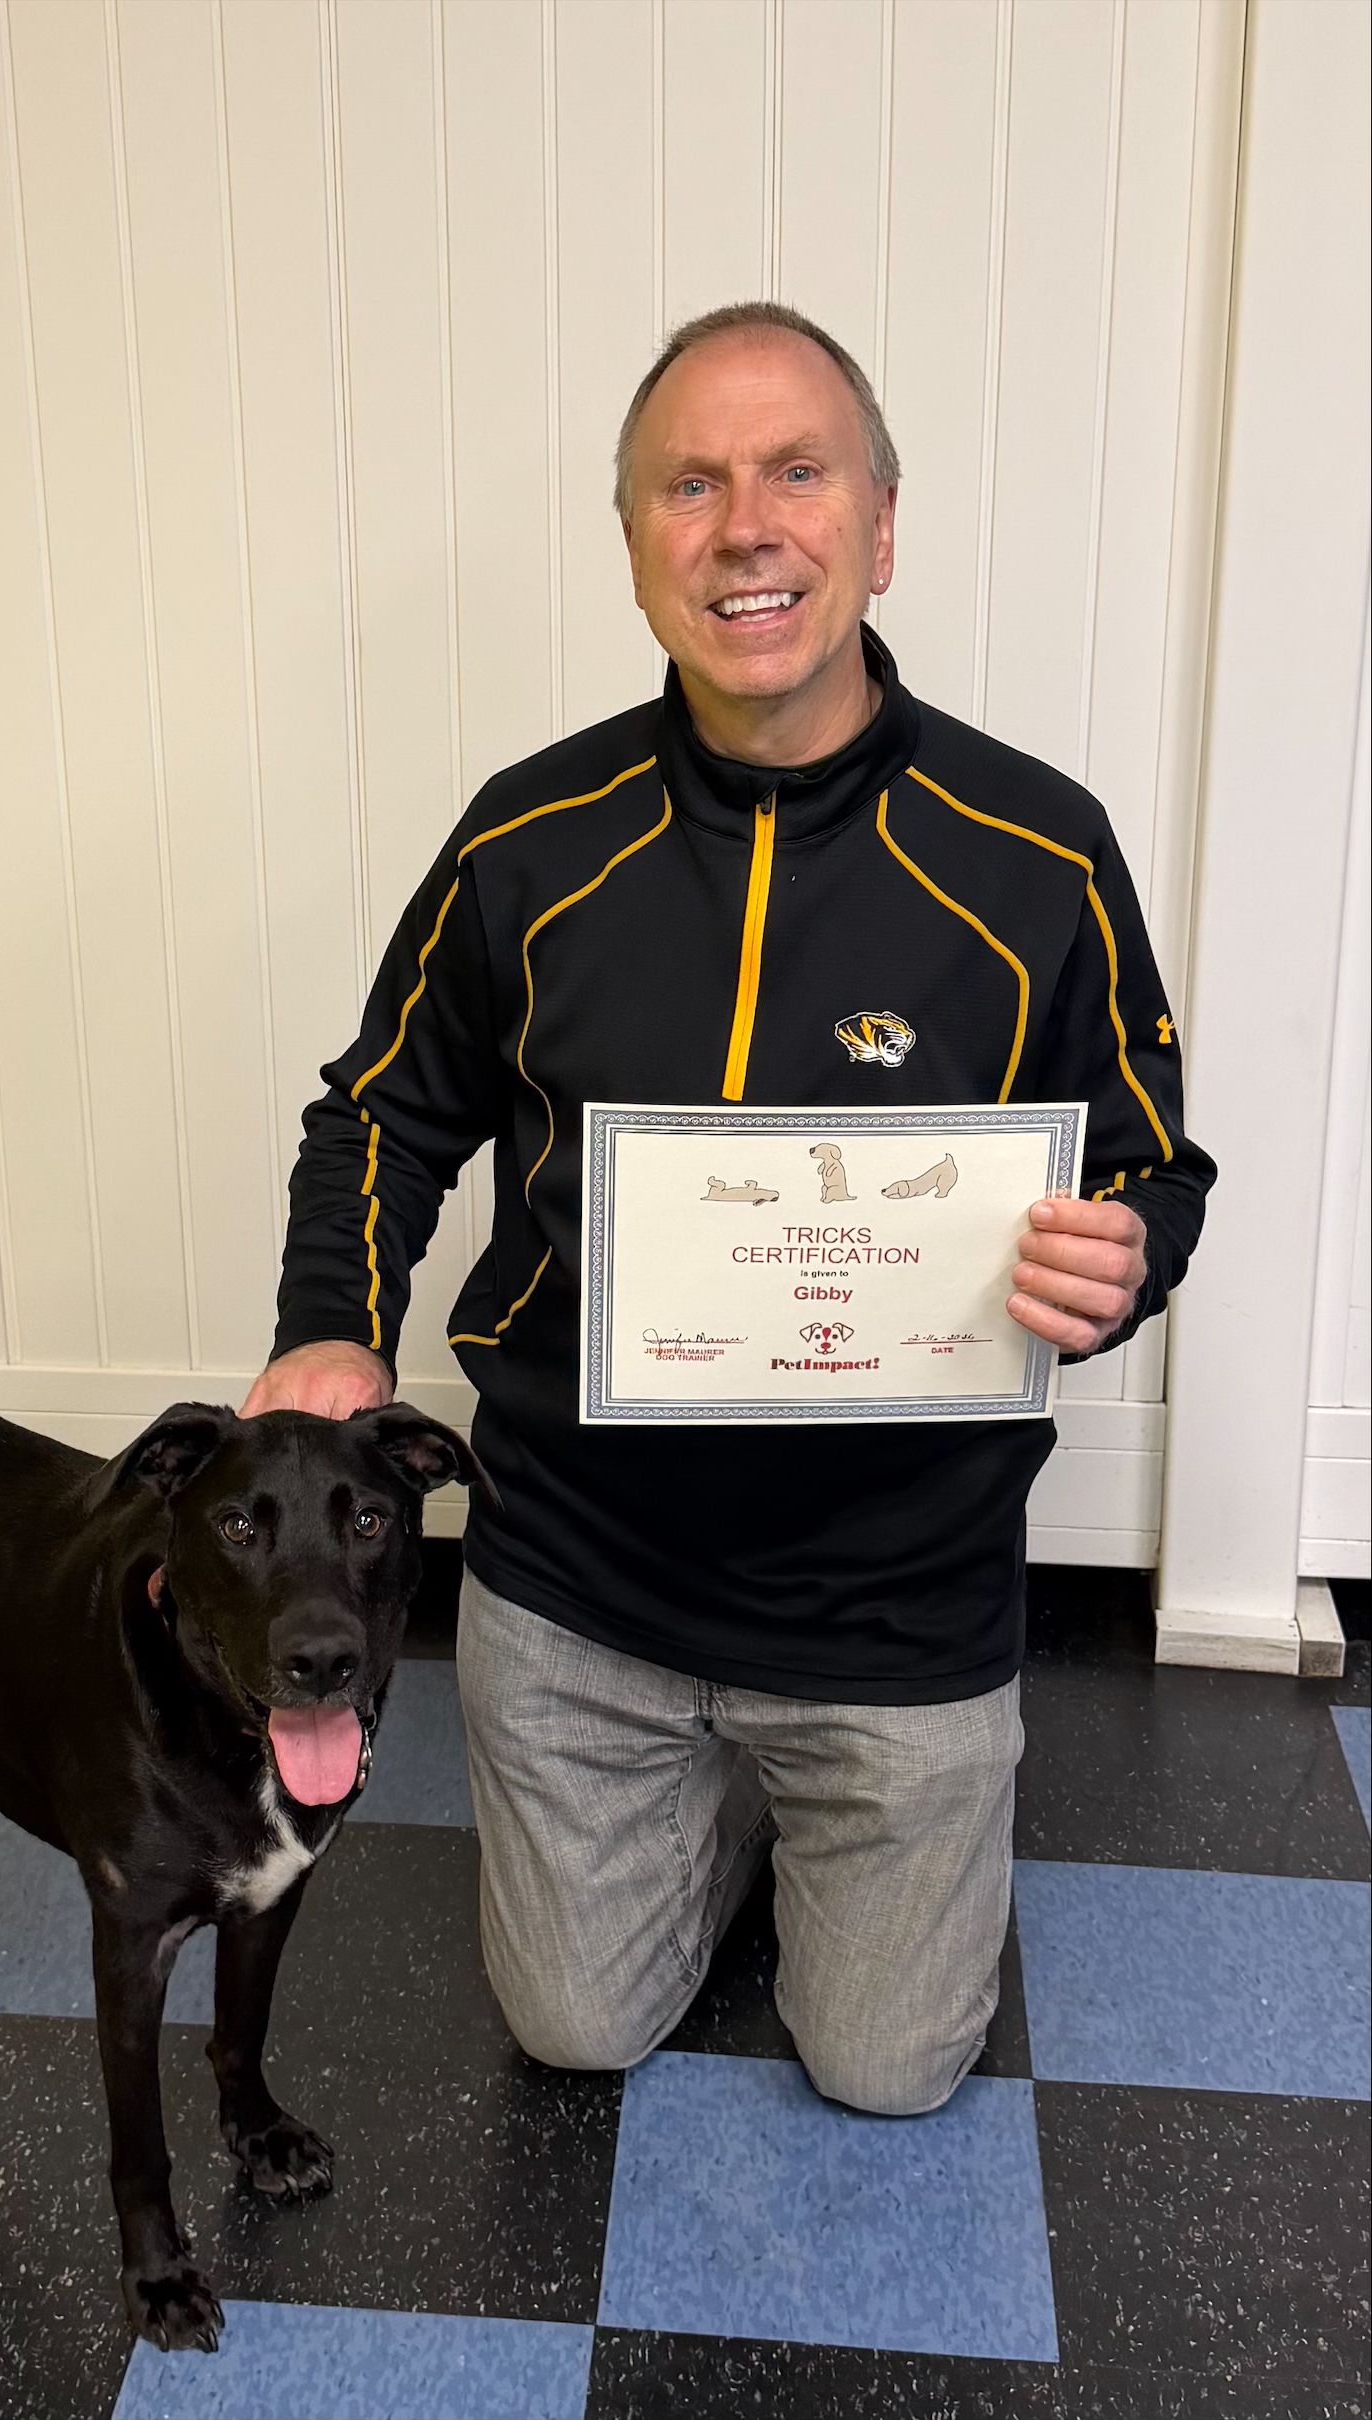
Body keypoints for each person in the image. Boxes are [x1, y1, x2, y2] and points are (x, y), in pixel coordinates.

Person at [241, 301, 1214, 2116]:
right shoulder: (530, 840)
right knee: (576, 2028)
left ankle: (819, 1805)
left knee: (890, 2072)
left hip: (898, 1609)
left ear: (881, 527)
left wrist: (1130, 1254)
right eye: (689, 485)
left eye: (797, 473)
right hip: (581, 1583)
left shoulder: (1039, 850)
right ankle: (706, 1798)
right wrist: (329, 1327)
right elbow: (382, 1112)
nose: (745, 527)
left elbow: (1154, 1165)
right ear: (634, 545)